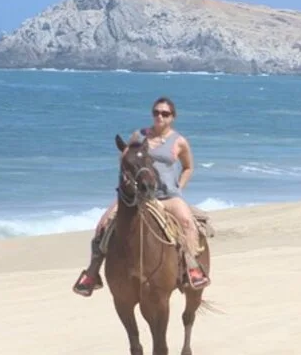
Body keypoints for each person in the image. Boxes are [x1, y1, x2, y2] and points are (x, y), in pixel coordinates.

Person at [72, 96, 210, 296]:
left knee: (188, 224)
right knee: (104, 224)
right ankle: (92, 272)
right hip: (138, 195)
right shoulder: (139, 135)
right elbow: (127, 158)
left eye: (165, 113)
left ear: (173, 117)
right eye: (156, 112)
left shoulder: (179, 141)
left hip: (167, 196)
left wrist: (178, 186)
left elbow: (188, 167)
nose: (159, 117)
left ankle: (191, 267)